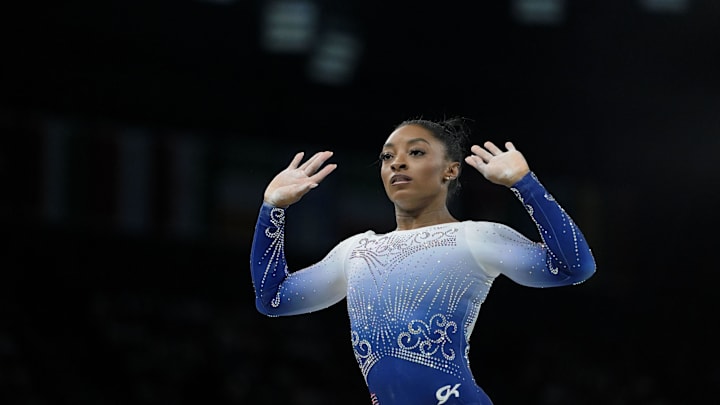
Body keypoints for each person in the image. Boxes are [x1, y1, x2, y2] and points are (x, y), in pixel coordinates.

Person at [249, 117, 596, 405]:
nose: (397, 162)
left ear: (450, 170)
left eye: (415, 152)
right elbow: (274, 299)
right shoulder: (354, 252)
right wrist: (273, 209)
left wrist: (525, 183)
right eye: (387, 157)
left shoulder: (476, 238)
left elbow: (574, 267)